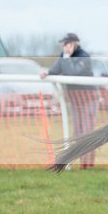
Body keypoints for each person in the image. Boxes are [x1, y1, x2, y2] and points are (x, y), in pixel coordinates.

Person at [40, 33, 98, 169]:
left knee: (87, 132)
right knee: (77, 132)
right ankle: (83, 164)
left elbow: (74, 73)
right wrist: (47, 72)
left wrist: (66, 58)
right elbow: (55, 69)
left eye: (67, 44)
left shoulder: (83, 56)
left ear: (74, 44)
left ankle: (89, 164)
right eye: (64, 44)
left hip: (88, 100)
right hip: (75, 100)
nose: (64, 47)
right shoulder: (64, 56)